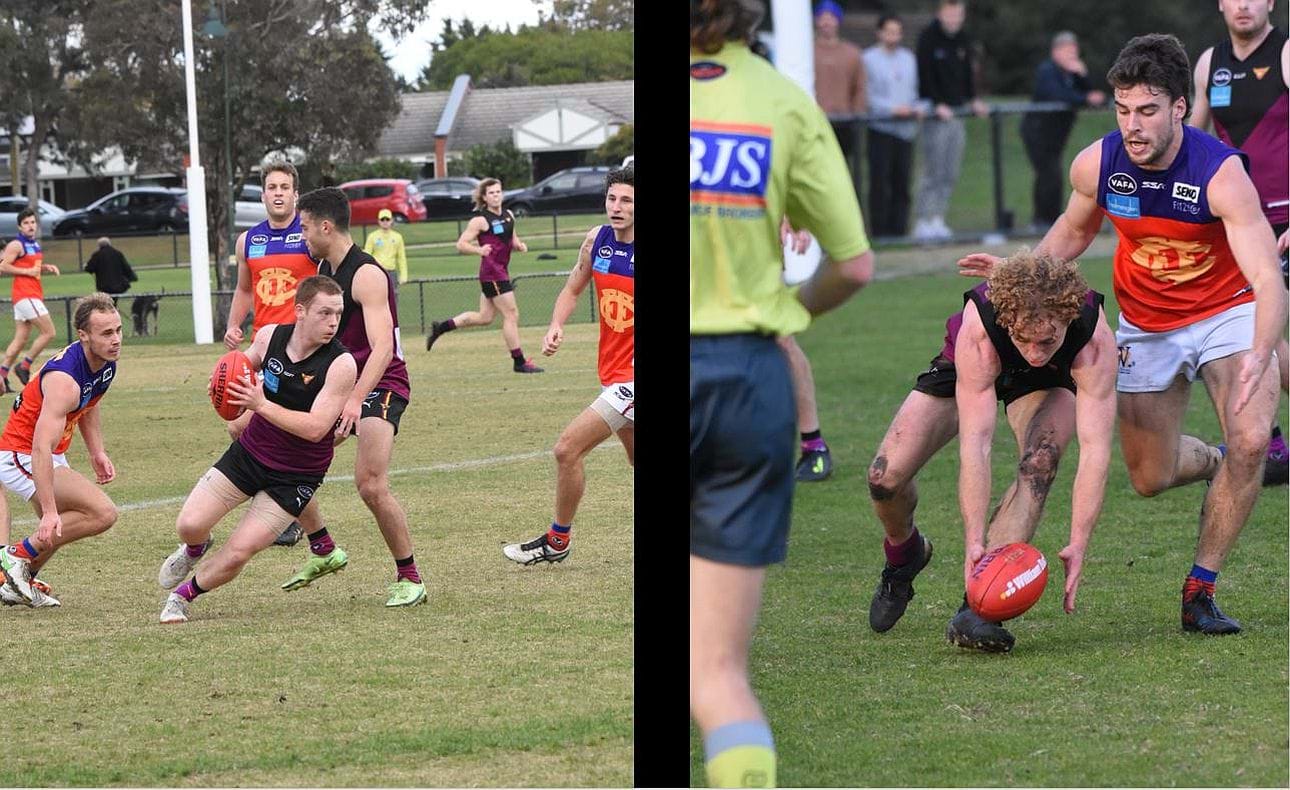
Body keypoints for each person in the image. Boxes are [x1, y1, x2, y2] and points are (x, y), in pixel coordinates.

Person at [958, 33, 1287, 635]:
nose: (1132, 125)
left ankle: (1199, 591)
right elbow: (1071, 235)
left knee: (1250, 438)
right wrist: (1015, 276)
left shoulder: (1221, 175)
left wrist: (1262, 352)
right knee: (1148, 477)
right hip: (1146, 324)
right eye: (1123, 110)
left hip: (1228, 312)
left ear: (1181, 108)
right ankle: (1216, 462)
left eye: (1148, 110)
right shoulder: (1099, 164)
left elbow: (1267, 277)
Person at [691, 0, 874, 784]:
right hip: (748, 379)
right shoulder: (781, 100)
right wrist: (785, 314)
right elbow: (854, 263)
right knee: (716, 672)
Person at [866, 251, 1117, 652]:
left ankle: (977, 608)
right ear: (1006, 322)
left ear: (1068, 319)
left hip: (1050, 383)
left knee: (1040, 463)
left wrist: (1079, 540)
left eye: (1047, 340)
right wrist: (972, 539)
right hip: (975, 370)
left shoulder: (1093, 340)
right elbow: (976, 444)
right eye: (1024, 339)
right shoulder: (981, 328)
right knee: (884, 479)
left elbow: (1096, 450)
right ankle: (904, 553)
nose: (1035, 352)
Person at [157, 276, 356, 623]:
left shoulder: (341, 364)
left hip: (295, 477)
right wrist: (222, 380)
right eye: (325, 313)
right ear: (301, 311)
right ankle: (195, 548)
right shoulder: (269, 338)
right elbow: (240, 367)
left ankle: (182, 596)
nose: (333, 322)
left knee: (238, 552)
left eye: (338, 314)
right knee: (189, 524)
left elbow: (316, 429)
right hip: (249, 455)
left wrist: (260, 405)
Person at [284, 186, 426, 608]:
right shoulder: (325, 266)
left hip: (382, 383)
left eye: (306, 227)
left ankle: (410, 577)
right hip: (342, 383)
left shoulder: (366, 274)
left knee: (369, 484)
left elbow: (383, 348)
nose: (303, 236)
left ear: (326, 226)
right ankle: (324, 548)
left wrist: (353, 401)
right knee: (281, 458)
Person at [502, 165, 634, 565]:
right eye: (612, 198)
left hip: (631, 380)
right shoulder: (597, 240)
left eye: (626, 200)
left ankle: (557, 540)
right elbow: (573, 288)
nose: (617, 207)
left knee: (566, 449)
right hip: (613, 372)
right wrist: (556, 324)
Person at [1190, 0, 1290, 487]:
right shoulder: (1211, 63)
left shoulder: (1286, 51)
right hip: (1235, 223)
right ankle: (1270, 445)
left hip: (1286, 221)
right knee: (1249, 330)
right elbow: (1194, 135)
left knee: (1265, 332)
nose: (1244, 4)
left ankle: (1270, 446)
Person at [0, 293, 122, 608]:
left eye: (118, 330)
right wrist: (50, 510)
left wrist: (97, 451)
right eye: (106, 333)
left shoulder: (105, 363)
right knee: (101, 513)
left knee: (61, 525)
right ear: (84, 336)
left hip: (48, 451)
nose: (116, 340)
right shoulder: (64, 380)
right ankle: (11, 558)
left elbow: (90, 403)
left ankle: (19, 581)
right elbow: (40, 447)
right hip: (22, 453)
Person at [224, 160, 321, 548]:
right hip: (264, 346)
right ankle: (288, 515)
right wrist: (234, 325)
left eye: (285, 187)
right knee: (239, 423)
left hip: (301, 348)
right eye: (271, 187)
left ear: (296, 194)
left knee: (256, 428)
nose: (278, 193)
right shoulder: (248, 240)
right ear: (262, 194)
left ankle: (285, 515)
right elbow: (245, 289)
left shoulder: (309, 235)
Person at [423, 179, 542, 373]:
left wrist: (519, 245)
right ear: (485, 197)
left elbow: (511, 238)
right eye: (492, 193)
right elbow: (461, 244)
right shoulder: (480, 220)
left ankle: (441, 327)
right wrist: (479, 250)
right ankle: (519, 361)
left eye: (498, 192)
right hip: (492, 273)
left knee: (484, 317)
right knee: (511, 314)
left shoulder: (509, 215)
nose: (496, 195)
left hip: (501, 271)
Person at [912, 0, 989, 243]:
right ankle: (923, 220)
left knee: (950, 170)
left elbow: (967, 72)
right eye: (950, 14)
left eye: (958, 15)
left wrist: (972, 99)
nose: (954, 19)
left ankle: (938, 218)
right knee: (933, 170)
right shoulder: (928, 38)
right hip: (936, 115)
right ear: (940, 13)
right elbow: (924, 75)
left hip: (957, 113)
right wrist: (936, 103)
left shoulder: (962, 39)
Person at [1020, 32, 1106, 229]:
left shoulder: (1072, 73)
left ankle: (1051, 219)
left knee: (1054, 174)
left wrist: (1082, 75)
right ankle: (1042, 220)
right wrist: (1085, 99)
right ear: (1056, 52)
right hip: (1037, 131)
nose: (1072, 55)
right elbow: (1058, 95)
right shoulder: (1047, 71)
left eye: (1074, 50)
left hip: (1056, 135)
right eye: (1067, 50)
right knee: (1048, 174)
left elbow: (1087, 92)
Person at [863, 13, 923, 238]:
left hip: (905, 131)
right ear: (879, 33)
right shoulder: (868, 59)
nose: (893, 36)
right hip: (881, 129)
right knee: (880, 182)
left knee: (902, 182)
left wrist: (915, 107)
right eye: (889, 32)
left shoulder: (908, 58)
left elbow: (914, 90)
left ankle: (899, 231)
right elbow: (868, 96)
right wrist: (891, 109)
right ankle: (879, 231)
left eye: (897, 32)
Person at [0, 208, 60, 393]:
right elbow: (3, 266)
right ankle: (24, 366)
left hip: (29, 295)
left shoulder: (33, 244)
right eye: (26, 223)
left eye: (33, 222)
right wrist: (27, 272)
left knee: (20, 340)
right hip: (26, 295)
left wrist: (45, 268)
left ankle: (2, 376)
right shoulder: (17, 244)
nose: (30, 226)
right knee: (49, 332)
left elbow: (30, 267)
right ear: (19, 226)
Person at [812, 1, 866, 176]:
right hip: (815, 123)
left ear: (838, 21)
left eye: (831, 18)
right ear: (816, 20)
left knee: (842, 172)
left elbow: (859, 87)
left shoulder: (852, 53)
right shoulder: (806, 51)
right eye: (823, 18)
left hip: (844, 123)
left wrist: (857, 114)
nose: (827, 23)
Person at [364, 208, 408, 289]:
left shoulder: (398, 237)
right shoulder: (372, 236)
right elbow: (367, 255)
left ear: (391, 220)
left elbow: (401, 257)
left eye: (387, 219)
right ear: (378, 221)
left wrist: (403, 275)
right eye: (382, 219)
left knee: (393, 296)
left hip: (391, 271)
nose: (385, 222)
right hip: (377, 271)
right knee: (376, 294)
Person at [83, 237, 137, 303]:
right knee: (113, 302)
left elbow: (89, 268)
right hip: (118, 287)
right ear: (109, 243)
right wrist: (132, 278)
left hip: (104, 287)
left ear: (99, 245)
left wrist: (85, 266)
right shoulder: (118, 253)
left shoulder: (97, 255)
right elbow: (126, 268)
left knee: (106, 303)